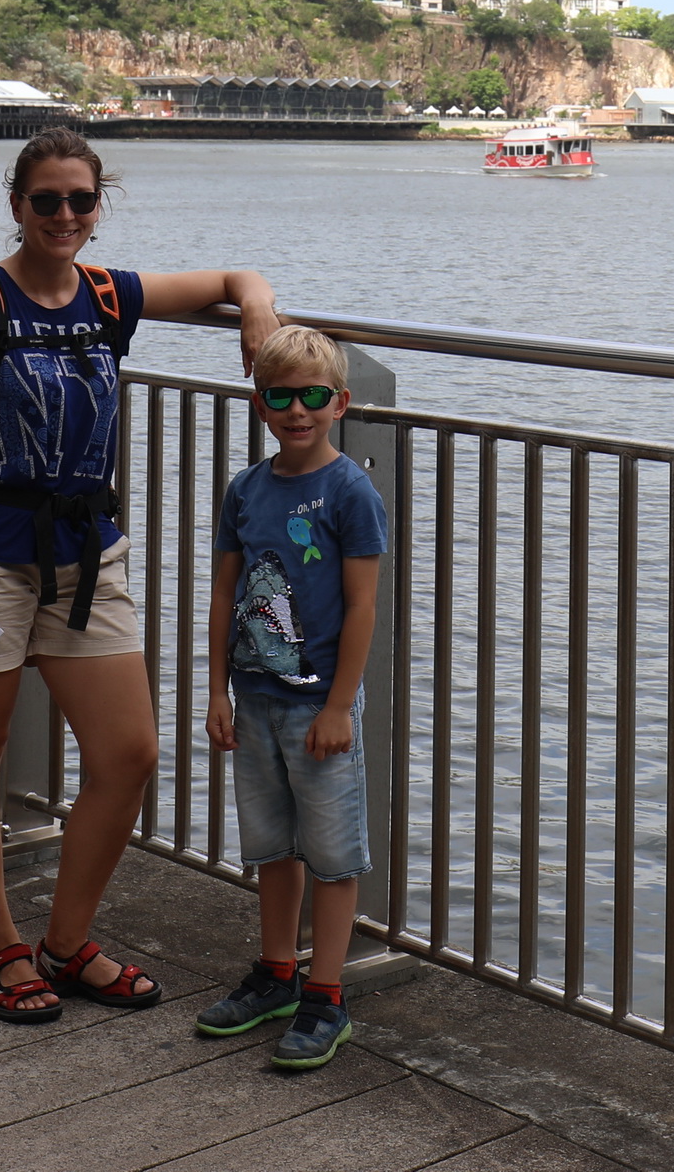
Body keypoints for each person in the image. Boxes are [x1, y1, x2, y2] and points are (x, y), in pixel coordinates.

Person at [0, 128, 280, 1026]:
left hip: (86, 558)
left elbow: (236, 278)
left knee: (127, 754)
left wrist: (260, 313)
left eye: (81, 200)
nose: (64, 215)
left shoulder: (109, 296)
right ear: (18, 205)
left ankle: (66, 944)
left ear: (99, 206)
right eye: (47, 201)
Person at [191, 325, 388, 1071]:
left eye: (312, 396)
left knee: (333, 857)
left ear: (340, 403)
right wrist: (216, 690)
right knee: (272, 846)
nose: (296, 410)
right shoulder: (245, 489)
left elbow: (362, 606)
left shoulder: (351, 492)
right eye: (279, 397)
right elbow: (224, 592)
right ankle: (277, 973)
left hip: (317, 707)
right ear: (260, 404)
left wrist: (340, 705)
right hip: (254, 699)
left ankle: (326, 994)